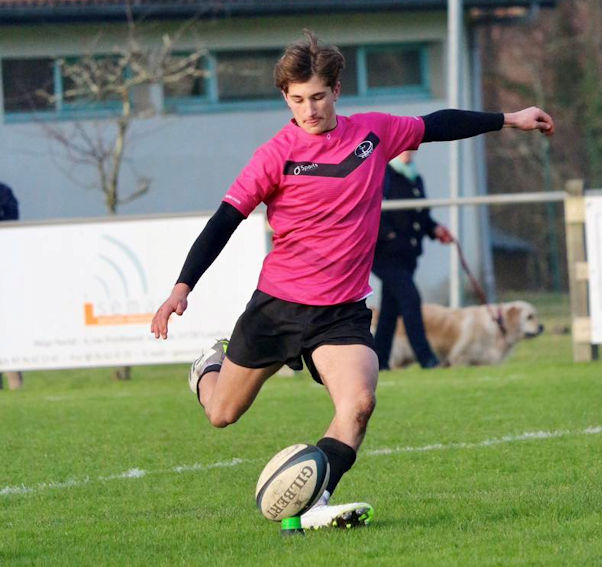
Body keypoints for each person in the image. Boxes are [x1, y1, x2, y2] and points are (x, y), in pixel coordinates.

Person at [150, 30, 554, 530]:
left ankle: (314, 503)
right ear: (285, 97)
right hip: (278, 307)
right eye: (298, 99)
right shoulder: (274, 155)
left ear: (337, 90)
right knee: (221, 413)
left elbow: (436, 124)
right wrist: (182, 287)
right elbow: (224, 221)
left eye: (318, 96)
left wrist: (509, 118)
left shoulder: (372, 134)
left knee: (359, 404)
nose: (309, 109)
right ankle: (208, 367)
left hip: (341, 312)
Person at [372, 150, 453, 370]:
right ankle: (427, 359)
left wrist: (435, 229)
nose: (407, 152)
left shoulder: (415, 177)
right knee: (410, 299)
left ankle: (379, 360)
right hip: (385, 255)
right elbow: (371, 210)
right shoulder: (383, 175)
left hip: (407, 255)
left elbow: (420, 215)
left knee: (390, 310)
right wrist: (389, 235)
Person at [0, 182, 23, 391]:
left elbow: (12, 223)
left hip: (4, 269)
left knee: (7, 329)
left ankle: (15, 383)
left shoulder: (3, 192)